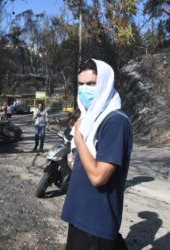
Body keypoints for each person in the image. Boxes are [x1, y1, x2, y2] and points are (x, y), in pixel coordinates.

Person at [61, 59, 132, 250]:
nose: (84, 90)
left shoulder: (115, 122)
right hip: (80, 214)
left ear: (105, 84)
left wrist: (79, 139)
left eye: (91, 84)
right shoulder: (89, 118)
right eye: (81, 84)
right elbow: (86, 162)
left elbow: (98, 177)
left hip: (96, 221)